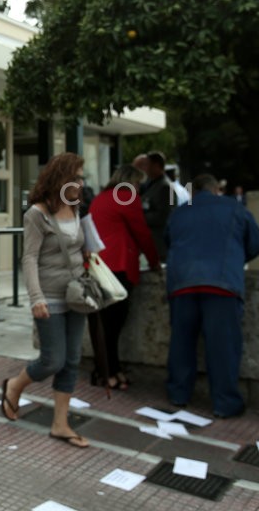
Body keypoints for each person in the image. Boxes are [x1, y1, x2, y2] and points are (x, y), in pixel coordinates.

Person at [0, 152, 90, 448]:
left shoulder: (78, 209)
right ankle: (15, 385)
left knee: (72, 360)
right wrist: (35, 297)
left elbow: (84, 248)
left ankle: (60, 424)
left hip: (77, 295)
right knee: (53, 359)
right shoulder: (36, 214)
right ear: (61, 178)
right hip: (49, 296)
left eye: (81, 177)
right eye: (76, 176)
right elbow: (29, 257)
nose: (80, 182)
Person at [164, 174, 259, 418]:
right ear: (216, 189)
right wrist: (234, 260)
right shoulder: (234, 208)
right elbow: (257, 242)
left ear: (194, 192)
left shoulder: (180, 212)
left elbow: (168, 242)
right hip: (221, 285)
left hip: (182, 284)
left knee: (181, 342)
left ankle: (178, 394)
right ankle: (225, 403)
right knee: (223, 347)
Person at [87, 164, 161, 391]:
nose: (140, 188)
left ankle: (108, 370)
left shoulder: (101, 197)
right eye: (138, 183)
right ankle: (108, 373)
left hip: (97, 265)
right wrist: (154, 262)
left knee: (102, 324)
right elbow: (142, 233)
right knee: (113, 325)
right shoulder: (126, 197)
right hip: (117, 266)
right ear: (131, 182)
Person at [140, 151, 174, 259]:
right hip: (150, 244)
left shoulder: (165, 187)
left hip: (159, 245)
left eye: (147, 164)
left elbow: (164, 216)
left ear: (156, 166)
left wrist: (140, 217)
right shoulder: (149, 184)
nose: (144, 168)